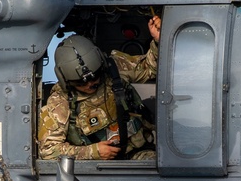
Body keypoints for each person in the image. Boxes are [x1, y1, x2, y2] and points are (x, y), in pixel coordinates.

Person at [38, 15, 160, 161]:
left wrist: (159, 41)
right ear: (67, 81)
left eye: (95, 77)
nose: (90, 84)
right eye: (81, 83)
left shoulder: (114, 67)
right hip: (97, 167)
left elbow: (149, 68)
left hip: (137, 152)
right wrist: (92, 152)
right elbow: (48, 150)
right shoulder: (60, 102)